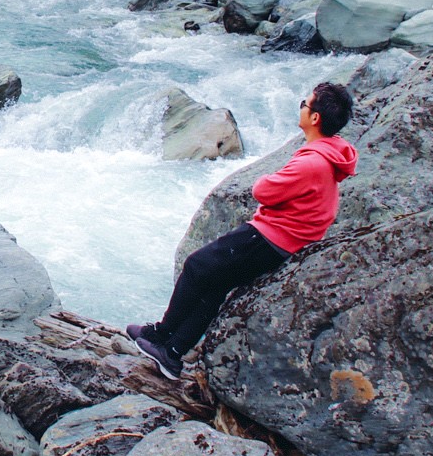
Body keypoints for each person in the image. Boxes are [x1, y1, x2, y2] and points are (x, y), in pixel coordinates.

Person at [127, 81, 358, 379]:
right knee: (214, 284)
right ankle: (171, 351)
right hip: (281, 240)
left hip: (268, 238)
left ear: (315, 118)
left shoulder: (312, 162)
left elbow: (264, 190)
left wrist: (269, 179)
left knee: (196, 266)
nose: (301, 105)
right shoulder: (330, 152)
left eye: (305, 102)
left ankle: (164, 337)